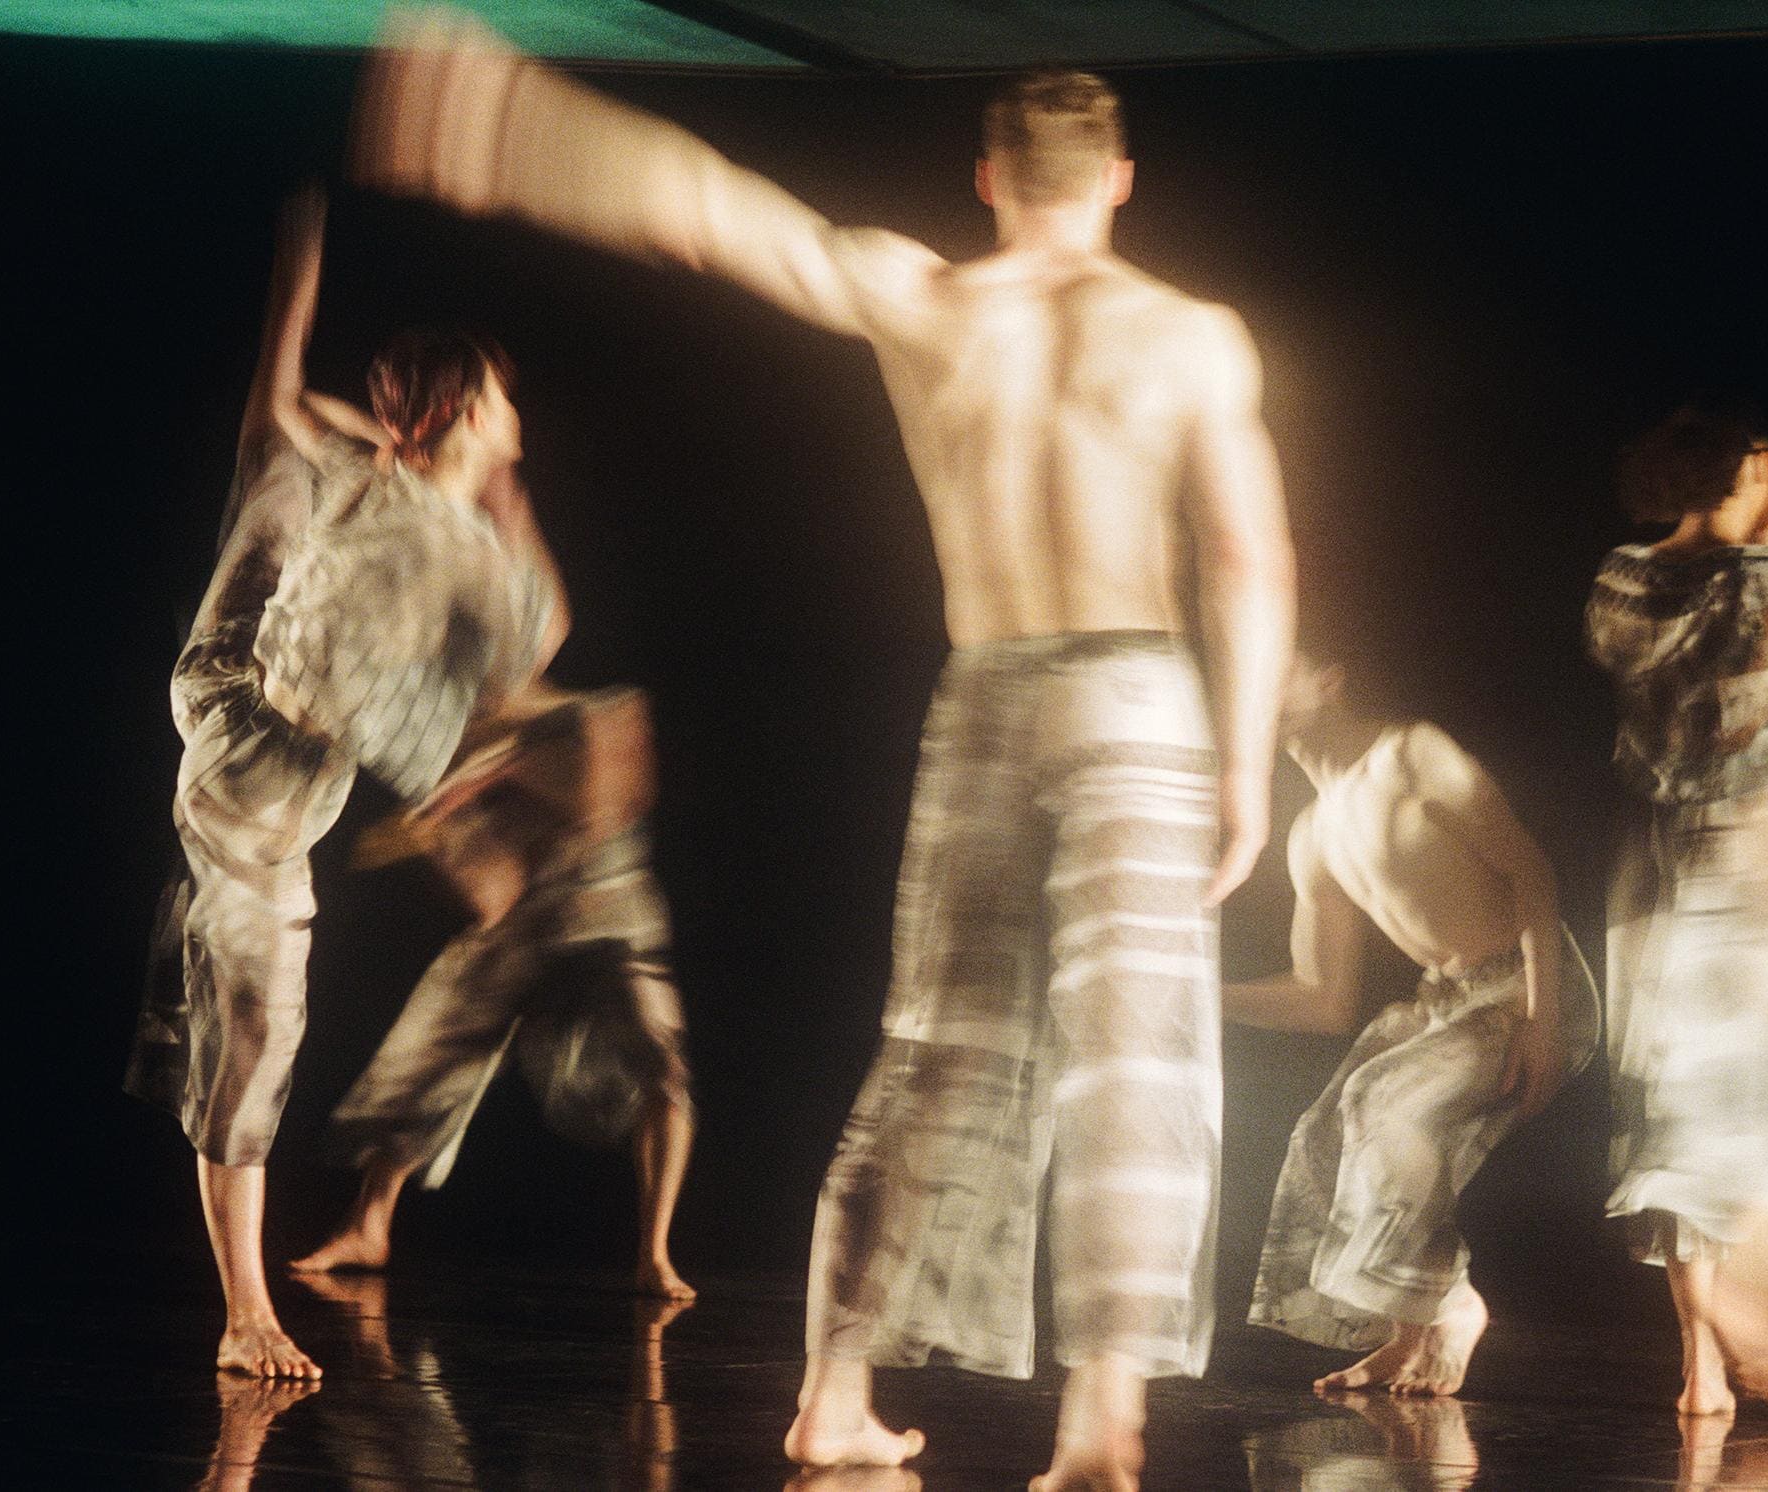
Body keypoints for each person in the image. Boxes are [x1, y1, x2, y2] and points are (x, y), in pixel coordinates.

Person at [355, 24, 1294, 1486]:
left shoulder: (924, 297)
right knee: (1136, 1064)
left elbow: (719, 214)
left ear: (987, 178)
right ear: (1117, 179)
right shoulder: (1192, 335)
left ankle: (834, 1395)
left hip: (988, 694)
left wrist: (511, 125)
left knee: (933, 1050)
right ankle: (1099, 1424)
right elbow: (1245, 560)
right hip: (1137, 705)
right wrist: (1242, 767)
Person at [125, 188, 560, 1379]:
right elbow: (280, 410)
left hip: (298, 778)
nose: (520, 419)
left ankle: (249, 1300)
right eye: (505, 401)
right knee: (262, 1027)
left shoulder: (456, 533)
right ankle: (245, 1313)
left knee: (268, 1016)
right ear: (469, 407)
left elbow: (533, 640)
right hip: (241, 738)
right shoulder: (371, 484)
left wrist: (497, 500)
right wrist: (298, 281)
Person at [1228, 648, 1599, 1397]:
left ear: (1329, 678)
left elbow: (1531, 870)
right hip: (1445, 1003)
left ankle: (1450, 1304)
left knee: (1384, 1100)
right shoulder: (1313, 836)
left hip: (1521, 989)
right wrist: (1205, 996)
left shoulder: (1409, 754)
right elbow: (1323, 995)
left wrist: (1543, 1018)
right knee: (1326, 1129)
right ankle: (1406, 1337)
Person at [1585, 405, 1768, 1413]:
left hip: (1662, 863)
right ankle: (1753, 1304)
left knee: (1688, 1094)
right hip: (1766, 850)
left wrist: (1752, 545)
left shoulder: (1619, 576)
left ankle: (1710, 1350)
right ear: (1742, 476)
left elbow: (1689, 643)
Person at [289, 683, 697, 1299]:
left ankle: (654, 1254)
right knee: (423, 1052)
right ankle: (368, 1226)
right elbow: (490, 892)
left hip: (612, 915)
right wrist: (443, 834)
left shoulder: (604, 712)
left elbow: (604, 803)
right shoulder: (466, 748)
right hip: (525, 924)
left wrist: (498, 772)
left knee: (662, 1069)